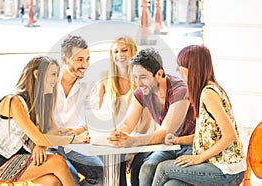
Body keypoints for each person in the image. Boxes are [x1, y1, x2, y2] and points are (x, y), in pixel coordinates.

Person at [152, 45, 246, 186]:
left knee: (163, 168)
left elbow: (229, 136)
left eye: (181, 65)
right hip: (216, 166)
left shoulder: (208, 94)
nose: (177, 70)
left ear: (193, 67)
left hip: (227, 171)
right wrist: (177, 140)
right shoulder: (206, 90)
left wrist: (199, 157)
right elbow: (204, 136)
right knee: (172, 184)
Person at [107, 48, 196, 185]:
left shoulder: (180, 90)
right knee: (146, 168)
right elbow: (128, 125)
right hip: (168, 146)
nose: (138, 83)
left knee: (152, 170)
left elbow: (166, 132)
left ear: (159, 74)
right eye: (135, 77)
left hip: (189, 146)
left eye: (143, 77)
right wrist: (117, 137)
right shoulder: (142, 92)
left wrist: (132, 141)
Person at [0, 56, 76, 186]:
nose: (57, 80)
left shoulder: (38, 103)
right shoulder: (14, 101)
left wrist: (41, 145)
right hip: (2, 164)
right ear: (37, 74)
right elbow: (41, 137)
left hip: (24, 158)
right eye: (53, 74)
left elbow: (52, 131)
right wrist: (76, 139)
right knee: (58, 162)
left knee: (53, 182)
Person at [48, 34, 103, 185]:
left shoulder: (90, 83)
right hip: (49, 144)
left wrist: (79, 131)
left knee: (101, 172)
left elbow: (94, 119)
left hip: (75, 145)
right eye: (80, 59)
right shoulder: (49, 81)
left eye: (87, 59)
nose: (85, 65)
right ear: (65, 60)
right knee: (70, 177)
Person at [98, 35, 153, 186]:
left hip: (140, 141)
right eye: (115, 51)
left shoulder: (142, 80)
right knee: (108, 167)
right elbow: (99, 115)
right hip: (115, 143)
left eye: (124, 50)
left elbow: (145, 124)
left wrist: (132, 149)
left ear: (133, 53)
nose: (120, 55)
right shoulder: (104, 79)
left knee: (135, 168)